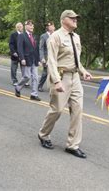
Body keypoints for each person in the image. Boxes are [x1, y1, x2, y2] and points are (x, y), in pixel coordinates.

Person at [38, 10, 92, 159]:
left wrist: (83, 71)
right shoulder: (55, 37)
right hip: (61, 77)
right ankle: (43, 134)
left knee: (77, 110)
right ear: (63, 20)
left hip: (75, 78)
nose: (76, 20)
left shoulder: (76, 37)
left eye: (76, 18)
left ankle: (72, 145)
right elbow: (52, 61)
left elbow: (76, 60)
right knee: (57, 110)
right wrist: (56, 81)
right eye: (72, 18)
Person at [15, 20, 41, 101]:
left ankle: (34, 94)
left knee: (36, 77)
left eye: (32, 25)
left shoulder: (34, 36)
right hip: (26, 59)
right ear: (26, 26)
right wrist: (22, 58)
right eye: (30, 25)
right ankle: (18, 88)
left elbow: (36, 49)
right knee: (27, 77)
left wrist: (39, 59)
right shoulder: (22, 36)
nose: (32, 26)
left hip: (34, 60)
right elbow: (20, 48)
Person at [38, 21, 55, 92]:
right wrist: (42, 58)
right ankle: (40, 86)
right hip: (46, 58)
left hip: (54, 57)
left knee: (54, 72)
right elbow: (41, 48)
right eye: (52, 26)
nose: (54, 27)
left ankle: (53, 87)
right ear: (48, 28)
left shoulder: (55, 35)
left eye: (53, 26)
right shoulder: (43, 36)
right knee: (45, 73)